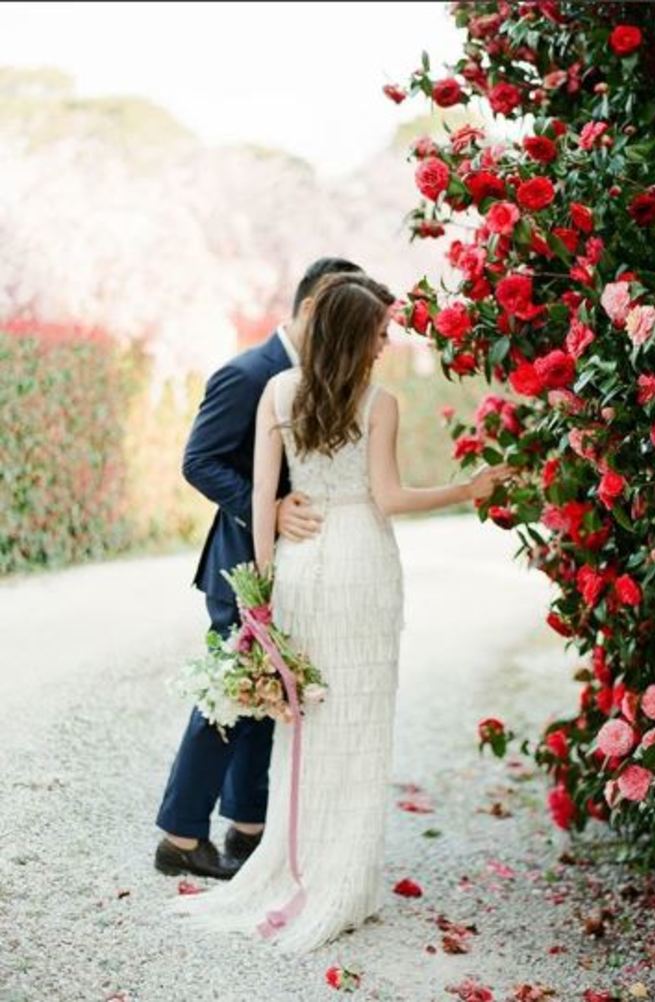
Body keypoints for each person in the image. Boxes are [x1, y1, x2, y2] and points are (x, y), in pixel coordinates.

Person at [171, 272, 510, 950]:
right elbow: (389, 498)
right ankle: (344, 880)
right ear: (355, 336)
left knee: (306, 725)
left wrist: (260, 592)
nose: (385, 344)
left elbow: (263, 499)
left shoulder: (277, 391)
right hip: (360, 562)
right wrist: (467, 490)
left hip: (298, 564)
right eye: (379, 333)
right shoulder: (379, 403)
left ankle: (299, 865)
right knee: (358, 723)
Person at [154, 257, 362, 880]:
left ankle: (248, 828)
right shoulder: (248, 373)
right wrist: (267, 506)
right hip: (239, 560)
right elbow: (199, 461)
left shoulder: (320, 376)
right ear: (311, 307)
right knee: (230, 691)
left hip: (292, 565)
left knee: (267, 693)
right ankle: (180, 835)